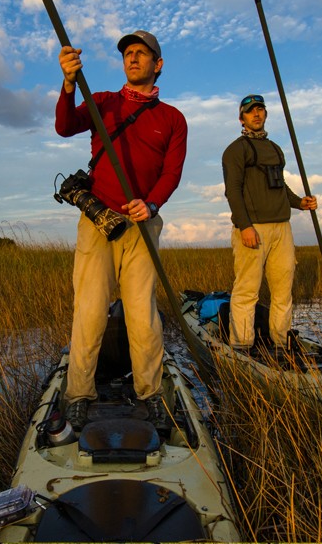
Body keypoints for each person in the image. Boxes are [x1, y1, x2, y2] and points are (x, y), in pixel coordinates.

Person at [55, 30, 187, 431]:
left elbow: (172, 173)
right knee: (90, 312)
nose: (133, 59)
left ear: (157, 64)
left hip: (142, 226)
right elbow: (64, 126)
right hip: (98, 223)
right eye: (128, 53)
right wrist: (68, 84)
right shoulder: (104, 102)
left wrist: (151, 203)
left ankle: (149, 395)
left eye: (141, 54)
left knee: (142, 315)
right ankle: (79, 395)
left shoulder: (173, 119)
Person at [222, 94, 317, 352]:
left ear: (265, 114)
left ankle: (282, 343)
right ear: (241, 118)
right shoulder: (235, 150)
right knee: (247, 291)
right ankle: (241, 346)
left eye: (260, 110)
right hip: (253, 229)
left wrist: (300, 203)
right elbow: (233, 190)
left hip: (281, 228)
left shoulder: (275, 148)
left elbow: (280, 186)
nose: (256, 114)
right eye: (251, 111)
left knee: (283, 291)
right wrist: (245, 227)